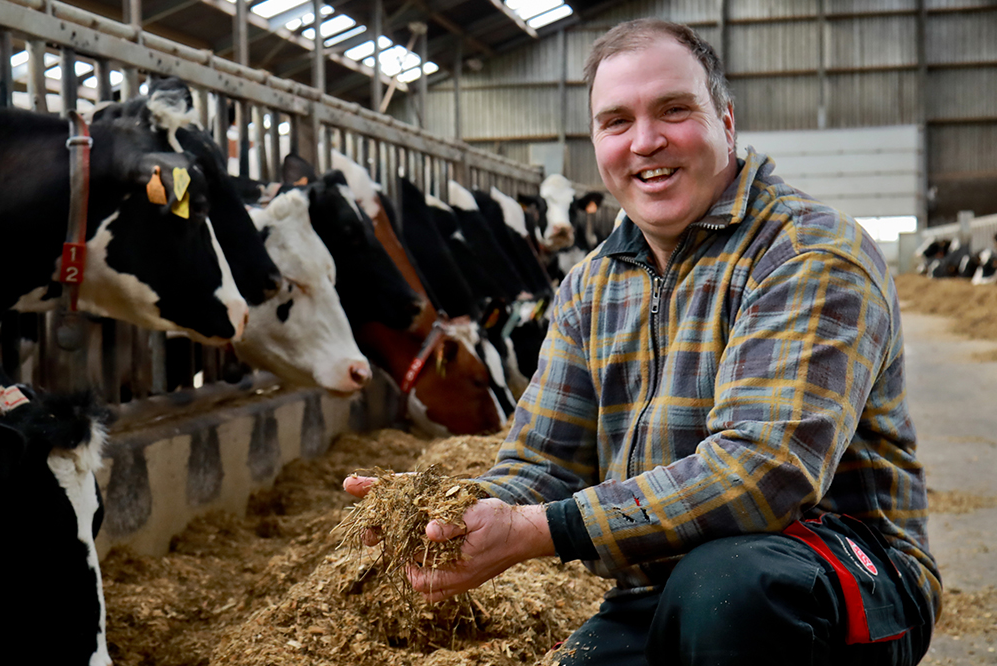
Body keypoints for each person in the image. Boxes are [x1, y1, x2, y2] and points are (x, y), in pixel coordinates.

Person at [345, 18, 940, 666]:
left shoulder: (808, 252)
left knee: (730, 587)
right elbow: (543, 461)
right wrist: (450, 514)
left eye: (674, 111)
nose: (646, 142)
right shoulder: (590, 285)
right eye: (617, 122)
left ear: (727, 121)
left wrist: (540, 532)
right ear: (597, 141)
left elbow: (762, 472)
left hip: (839, 577)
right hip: (658, 584)